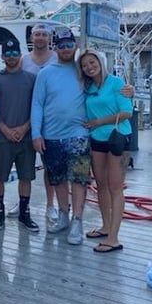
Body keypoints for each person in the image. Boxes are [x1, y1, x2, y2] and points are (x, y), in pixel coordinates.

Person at [31, 29, 92, 245]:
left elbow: (106, 83)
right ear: (55, 47)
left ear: (75, 46)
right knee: (56, 178)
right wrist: (36, 134)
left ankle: (77, 220)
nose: (66, 49)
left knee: (79, 179)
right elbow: (37, 104)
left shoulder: (83, 70)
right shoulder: (45, 73)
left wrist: (128, 90)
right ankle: (64, 215)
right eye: (62, 45)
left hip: (79, 134)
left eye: (69, 45)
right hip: (51, 136)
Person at [78, 48, 133, 253]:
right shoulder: (89, 87)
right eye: (85, 65)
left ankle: (114, 238)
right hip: (97, 140)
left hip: (117, 139)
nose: (89, 67)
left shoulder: (117, 83)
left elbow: (126, 112)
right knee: (101, 184)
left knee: (115, 187)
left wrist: (99, 121)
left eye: (92, 62)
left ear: (100, 62)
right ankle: (105, 226)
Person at [7, 23, 58, 223]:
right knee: (23, 166)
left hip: (51, 121)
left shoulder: (57, 59)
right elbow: (11, 78)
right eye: (37, 34)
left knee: (50, 167)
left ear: (49, 38)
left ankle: (50, 205)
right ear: (31, 38)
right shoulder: (24, 59)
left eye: (44, 34)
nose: (40, 38)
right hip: (26, 119)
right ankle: (21, 203)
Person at [0, 38, 39, 232]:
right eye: (7, 54)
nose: (11, 57)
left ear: (20, 55)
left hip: (26, 137)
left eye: (14, 54)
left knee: (25, 177)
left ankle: (24, 213)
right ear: (2, 57)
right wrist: (4, 128)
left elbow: (36, 107)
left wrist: (26, 127)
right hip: (2, 137)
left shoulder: (31, 79)